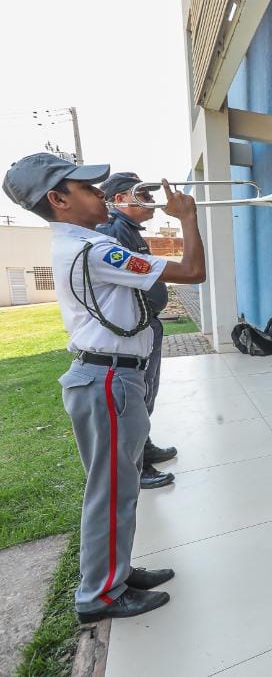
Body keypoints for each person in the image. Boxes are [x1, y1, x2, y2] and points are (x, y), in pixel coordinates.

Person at [3, 153, 207, 621]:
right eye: (88, 189)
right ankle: (99, 594)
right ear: (58, 200)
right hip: (109, 378)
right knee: (112, 491)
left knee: (117, 487)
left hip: (104, 375)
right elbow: (193, 272)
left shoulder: (81, 243)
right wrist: (187, 219)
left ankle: (114, 572)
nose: (101, 195)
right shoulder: (95, 250)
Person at [96, 173, 175, 490]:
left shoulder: (127, 231)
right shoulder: (115, 232)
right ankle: (136, 465)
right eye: (141, 195)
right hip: (135, 329)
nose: (150, 201)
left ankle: (144, 445)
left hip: (145, 324)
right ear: (118, 200)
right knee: (136, 396)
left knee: (146, 391)